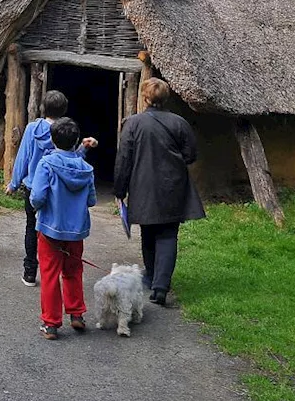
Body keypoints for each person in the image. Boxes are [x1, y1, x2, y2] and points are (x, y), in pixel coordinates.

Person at [113, 77, 203, 306]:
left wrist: (119, 190)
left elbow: (124, 159)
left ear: (145, 98)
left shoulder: (132, 124)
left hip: (143, 187)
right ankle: (161, 286)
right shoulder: (179, 123)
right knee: (168, 234)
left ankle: (153, 277)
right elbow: (191, 154)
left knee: (149, 232)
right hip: (173, 186)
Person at [29, 117, 97, 340]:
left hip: (50, 230)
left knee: (49, 275)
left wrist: (37, 206)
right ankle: (76, 314)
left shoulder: (46, 164)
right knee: (73, 271)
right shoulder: (86, 169)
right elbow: (91, 201)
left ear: (52, 139)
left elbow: (37, 196)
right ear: (76, 140)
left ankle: (51, 324)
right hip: (76, 232)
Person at [6, 91, 72, 286]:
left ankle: (29, 272)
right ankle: (53, 270)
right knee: (52, 228)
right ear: (64, 109)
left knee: (31, 227)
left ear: (43, 108)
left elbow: (23, 158)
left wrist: (13, 183)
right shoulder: (66, 131)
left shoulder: (32, 129)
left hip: (33, 187)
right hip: (55, 190)